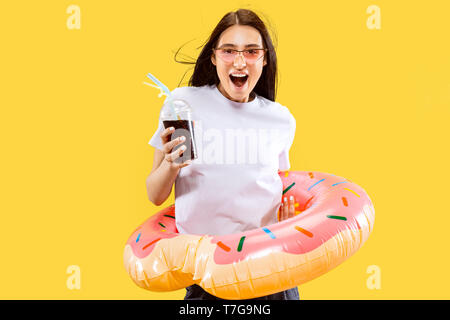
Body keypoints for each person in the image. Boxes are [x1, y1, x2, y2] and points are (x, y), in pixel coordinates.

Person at [146, 8, 298, 300]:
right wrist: (171, 165)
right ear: (214, 57)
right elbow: (155, 194)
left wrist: (286, 225)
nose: (240, 61)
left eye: (252, 51)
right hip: (206, 274)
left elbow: (270, 186)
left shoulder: (281, 119)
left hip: (269, 268)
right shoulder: (183, 104)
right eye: (229, 51)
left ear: (264, 59)